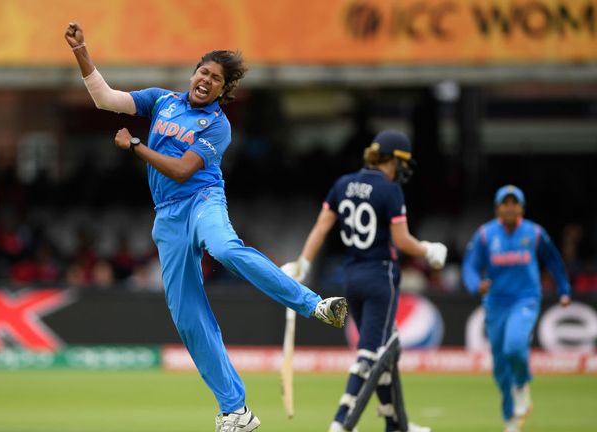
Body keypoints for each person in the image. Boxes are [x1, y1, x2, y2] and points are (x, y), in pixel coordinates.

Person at [64, 21, 349, 432]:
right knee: (187, 316)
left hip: (201, 201)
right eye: (204, 72)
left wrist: (136, 146)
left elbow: (182, 171)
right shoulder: (161, 101)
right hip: (168, 216)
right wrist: (81, 50)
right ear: (193, 73)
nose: (206, 80)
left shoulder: (217, 125)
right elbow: (106, 98)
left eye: (216, 79)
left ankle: (315, 305)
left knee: (227, 249)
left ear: (222, 91)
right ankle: (236, 411)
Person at [281, 130, 445, 432]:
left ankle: (396, 423)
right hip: (380, 276)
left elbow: (321, 227)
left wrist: (303, 263)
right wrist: (429, 250)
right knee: (371, 354)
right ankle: (341, 423)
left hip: (352, 277)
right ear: (394, 159)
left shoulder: (343, 184)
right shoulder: (390, 190)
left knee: (386, 350)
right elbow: (402, 240)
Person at [462, 185, 571, 432]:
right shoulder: (485, 235)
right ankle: (511, 419)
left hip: (525, 299)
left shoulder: (534, 232)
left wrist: (564, 289)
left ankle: (522, 384)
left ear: (521, 207)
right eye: (505, 203)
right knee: (500, 368)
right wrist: (475, 285)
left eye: (515, 203)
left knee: (514, 346)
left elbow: (553, 261)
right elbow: (470, 266)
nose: (510, 208)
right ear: (497, 208)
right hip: (495, 303)